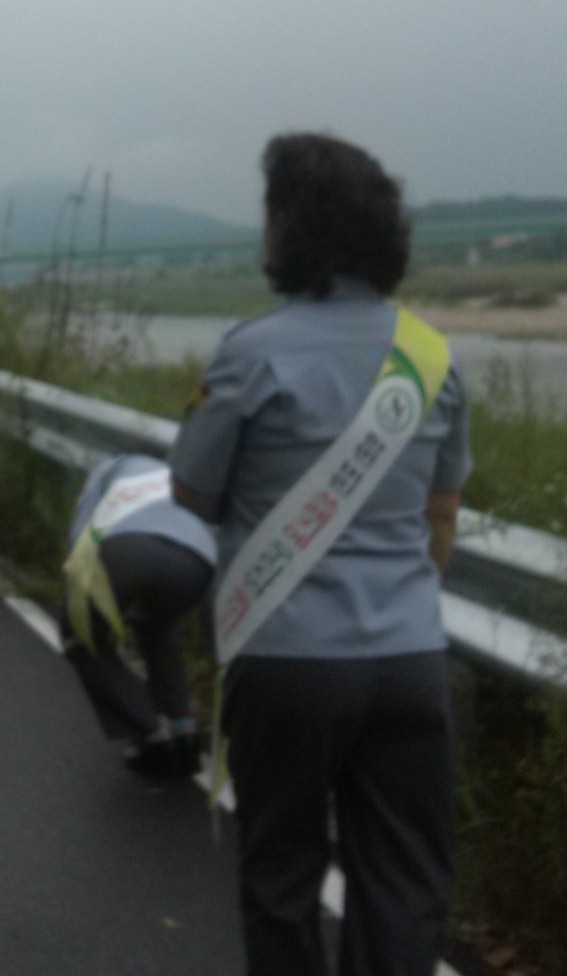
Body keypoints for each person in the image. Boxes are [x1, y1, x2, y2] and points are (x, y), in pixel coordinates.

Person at [168, 134, 470, 976]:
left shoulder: (251, 352)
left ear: (290, 228)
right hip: (409, 658)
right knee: (403, 878)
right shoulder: (432, 357)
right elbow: (442, 517)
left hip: (286, 654)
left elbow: (190, 492)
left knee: (282, 869)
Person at [59, 453, 217, 777]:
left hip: (126, 548)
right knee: (158, 627)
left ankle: (151, 734)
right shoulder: (176, 476)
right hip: (197, 558)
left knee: (81, 636)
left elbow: (83, 537)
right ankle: (184, 731)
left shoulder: (111, 467)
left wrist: (77, 599)